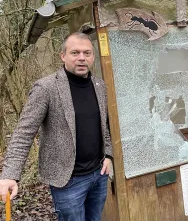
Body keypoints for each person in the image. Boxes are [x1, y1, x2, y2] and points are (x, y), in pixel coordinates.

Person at [0, 32, 113, 221]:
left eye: (87, 53)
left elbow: (104, 125)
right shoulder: (46, 88)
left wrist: (108, 155)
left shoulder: (99, 85)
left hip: (98, 175)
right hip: (67, 181)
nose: (81, 58)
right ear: (63, 56)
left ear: (93, 56)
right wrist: (10, 174)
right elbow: (23, 133)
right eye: (75, 53)